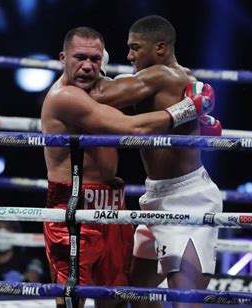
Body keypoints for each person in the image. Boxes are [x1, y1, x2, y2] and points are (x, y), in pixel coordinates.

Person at [41, 26, 213, 308]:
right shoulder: (66, 97)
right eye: (79, 57)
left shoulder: (100, 89)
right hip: (74, 204)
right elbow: (133, 128)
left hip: (112, 203)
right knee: (72, 298)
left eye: (94, 59)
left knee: (118, 298)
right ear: (63, 58)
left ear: (103, 60)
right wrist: (188, 109)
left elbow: (128, 93)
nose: (87, 66)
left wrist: (194, 122)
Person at [89, 15, 223, 308]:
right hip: (156, 197)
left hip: (188, 201)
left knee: (184, 303)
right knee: (135, 295)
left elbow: (99, 94)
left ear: (160, 48)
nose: (130, 55)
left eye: (135, 47)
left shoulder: (162, 75)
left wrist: (91, 65)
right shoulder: (181, 76)